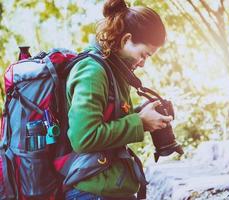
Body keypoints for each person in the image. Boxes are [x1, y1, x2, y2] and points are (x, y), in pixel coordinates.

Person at [64, 0, 173, 199]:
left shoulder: (113, 69)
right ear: (126, 40)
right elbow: (84, 137)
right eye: (143, 54)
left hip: (107, 185)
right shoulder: (92, 72)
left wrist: (139, 114)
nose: (142, 63)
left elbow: (106, 121)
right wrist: (139, 122)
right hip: (92, 190)